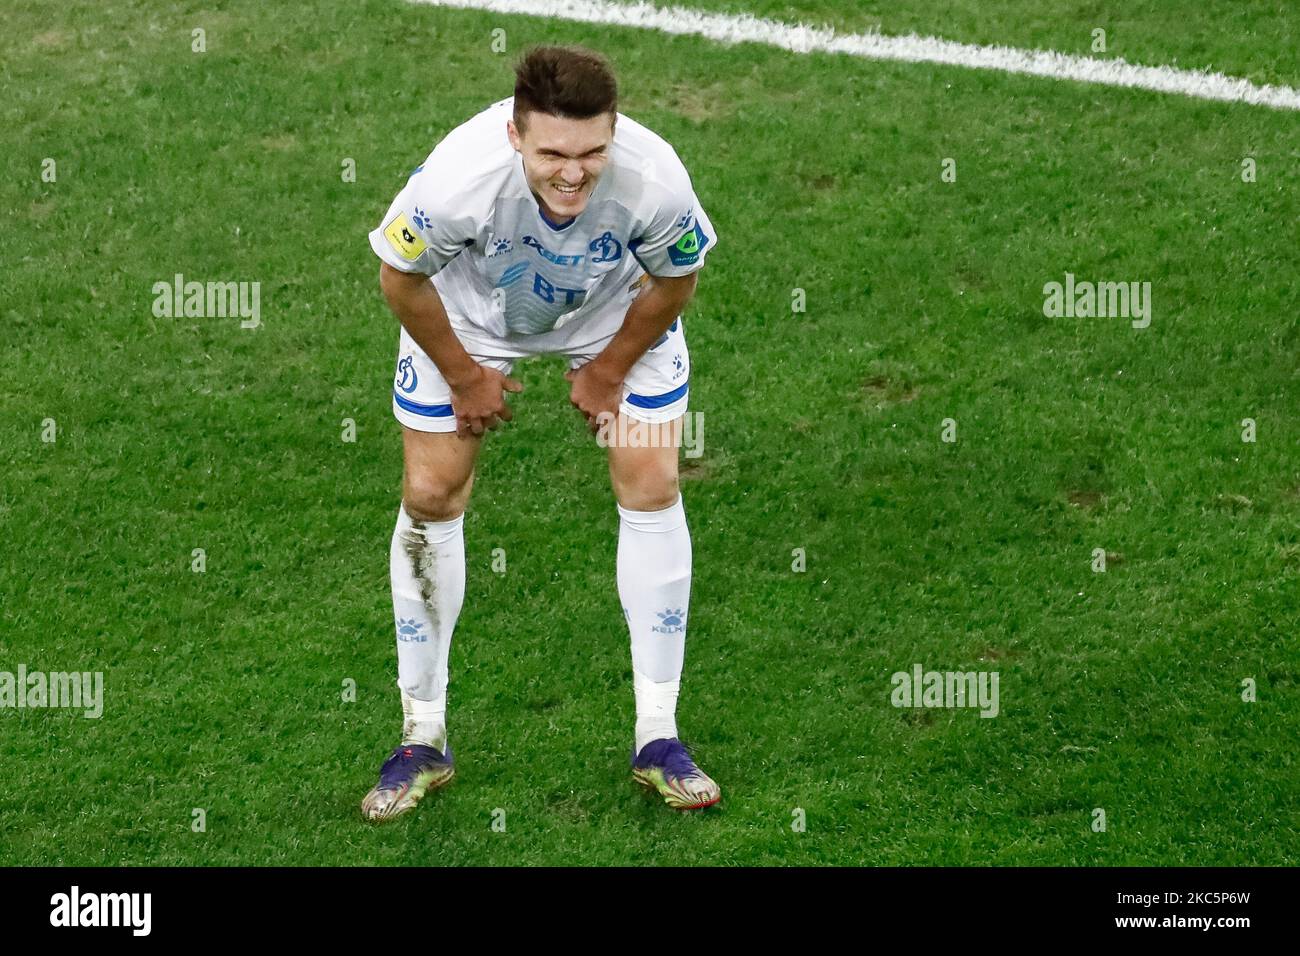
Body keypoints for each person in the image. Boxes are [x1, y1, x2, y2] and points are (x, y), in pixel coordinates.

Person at [361, 45, 721, 821]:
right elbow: (400, 276)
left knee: (652, 482)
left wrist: (609, 369)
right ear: (515, 136)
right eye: (553, 153)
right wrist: (464, 377)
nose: (573, 173)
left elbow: (676, 278)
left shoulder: (654, 178)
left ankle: (658, 735)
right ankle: (421, 738)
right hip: (471, 318)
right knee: (430, 494)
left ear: (614, 134)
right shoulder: (461, 178)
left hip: (615, 314)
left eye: (593, 152)